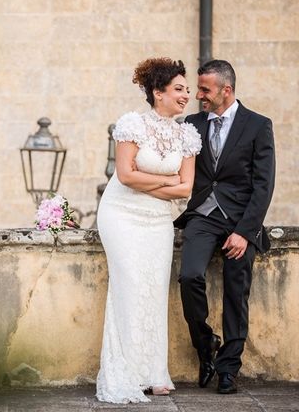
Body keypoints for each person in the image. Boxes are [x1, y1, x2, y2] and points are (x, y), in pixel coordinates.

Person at [96, 57, 202, 403]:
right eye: (179, 89)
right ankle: (125, 371)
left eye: (187, 90)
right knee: (129, 285)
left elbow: (186, 188)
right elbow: (124, 175)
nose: (187, 95)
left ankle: (154, 372)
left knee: (154, 290)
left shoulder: (187, 135)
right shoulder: (132, 125)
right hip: (121, 215)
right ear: (158, 93)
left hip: (158, 221)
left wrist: (151, 183)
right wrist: (165, 181)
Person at [174, 60, 275, 394]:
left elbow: (264, 184)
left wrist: (245, 232)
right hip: (202, 215)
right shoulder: (191, 123)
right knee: (189, 276)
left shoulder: (258, 125)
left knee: (236, 292)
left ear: (226, 90)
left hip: (240, 219)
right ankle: (205, 346)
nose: (197, 95)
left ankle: (229, 368)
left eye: (204, 89)